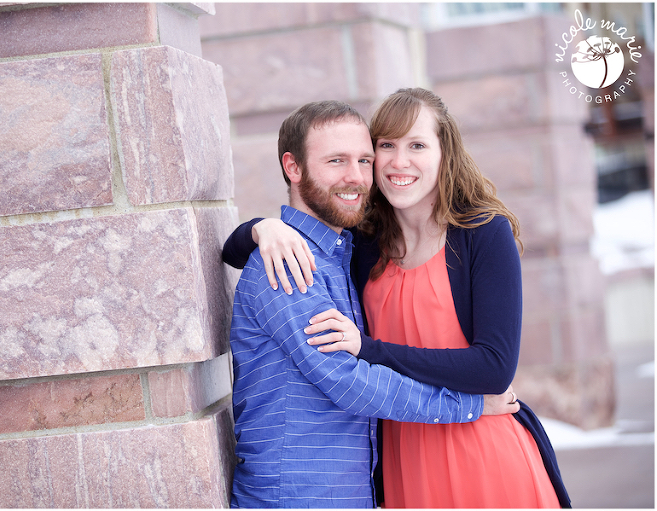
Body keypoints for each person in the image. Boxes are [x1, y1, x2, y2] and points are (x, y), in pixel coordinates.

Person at [223, 89, 570, 508]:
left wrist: (371, 350)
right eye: (385, 146)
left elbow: (494, 368)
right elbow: (344, 376)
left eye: (417, 145)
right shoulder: (356, 246)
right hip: (397, 460)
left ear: (446, 154)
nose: (396, 162)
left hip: (481, 447)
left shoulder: (477, 233)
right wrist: (261, 229)